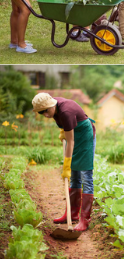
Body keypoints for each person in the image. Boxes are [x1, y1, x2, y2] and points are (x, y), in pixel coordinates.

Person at [32, 92, 96, 232]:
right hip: (73, 133)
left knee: (85, 176)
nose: (46, 115)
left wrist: (66, 165)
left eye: (46, 111)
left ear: (51, 105)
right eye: (41, 112)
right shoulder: (55, 108)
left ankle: (84, 220)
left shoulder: (65, 111)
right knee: (74, 177)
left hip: (84, 135)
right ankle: (71, 214)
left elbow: (71, 142)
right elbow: (68, 132)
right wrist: (63, 131)